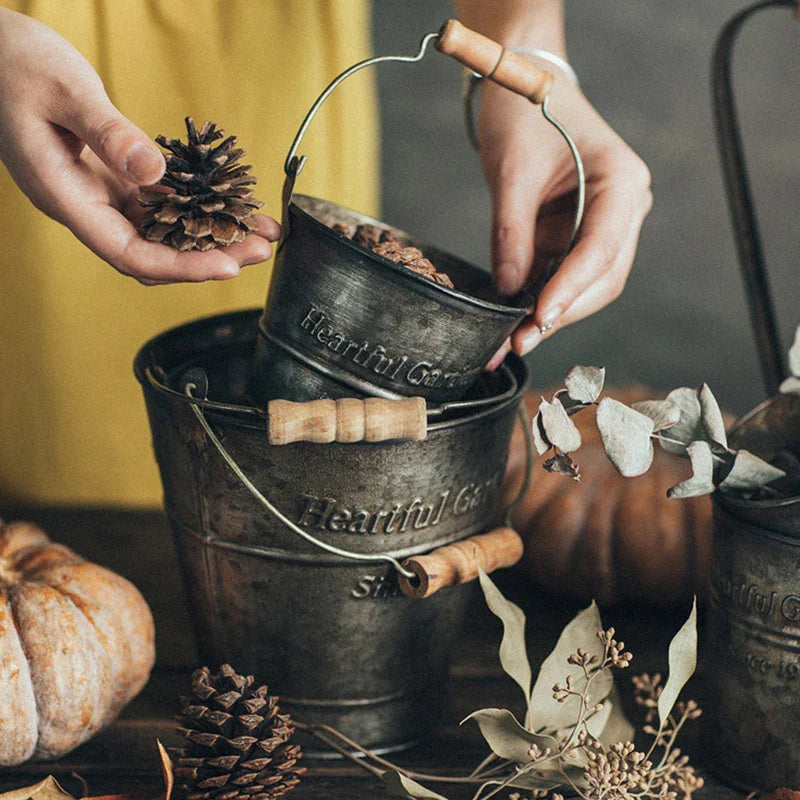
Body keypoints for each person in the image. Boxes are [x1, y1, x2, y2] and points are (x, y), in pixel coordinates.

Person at [0, 1, 651, 510]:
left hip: (271, 74)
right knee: (62, 472)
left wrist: (529, 58)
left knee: (328, 482)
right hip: (24, 65)